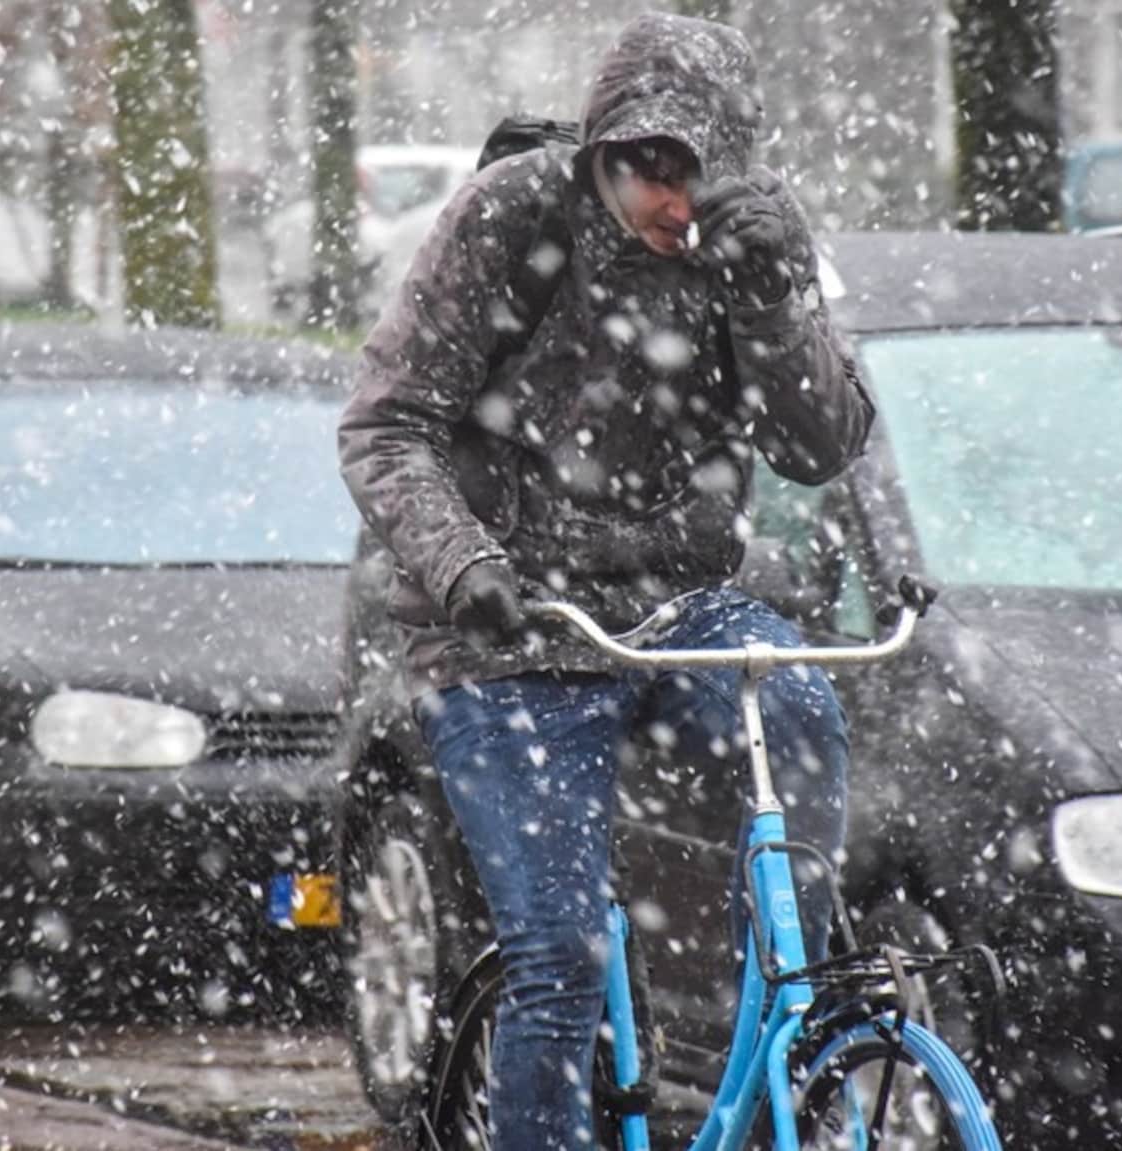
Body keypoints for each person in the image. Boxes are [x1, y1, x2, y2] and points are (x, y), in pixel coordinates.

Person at [337, 13, 872, 1149]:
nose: (675, 205)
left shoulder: (748, 244)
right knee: (559, 952)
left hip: (678, 597)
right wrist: (464, 565)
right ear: (601, 157)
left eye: (698, 177)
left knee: (796, 700)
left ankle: (789, 992)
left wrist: (773, 295)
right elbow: (386, 426)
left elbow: (819, 448)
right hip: (515, 620)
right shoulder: (516, 214)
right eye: (650, 174)